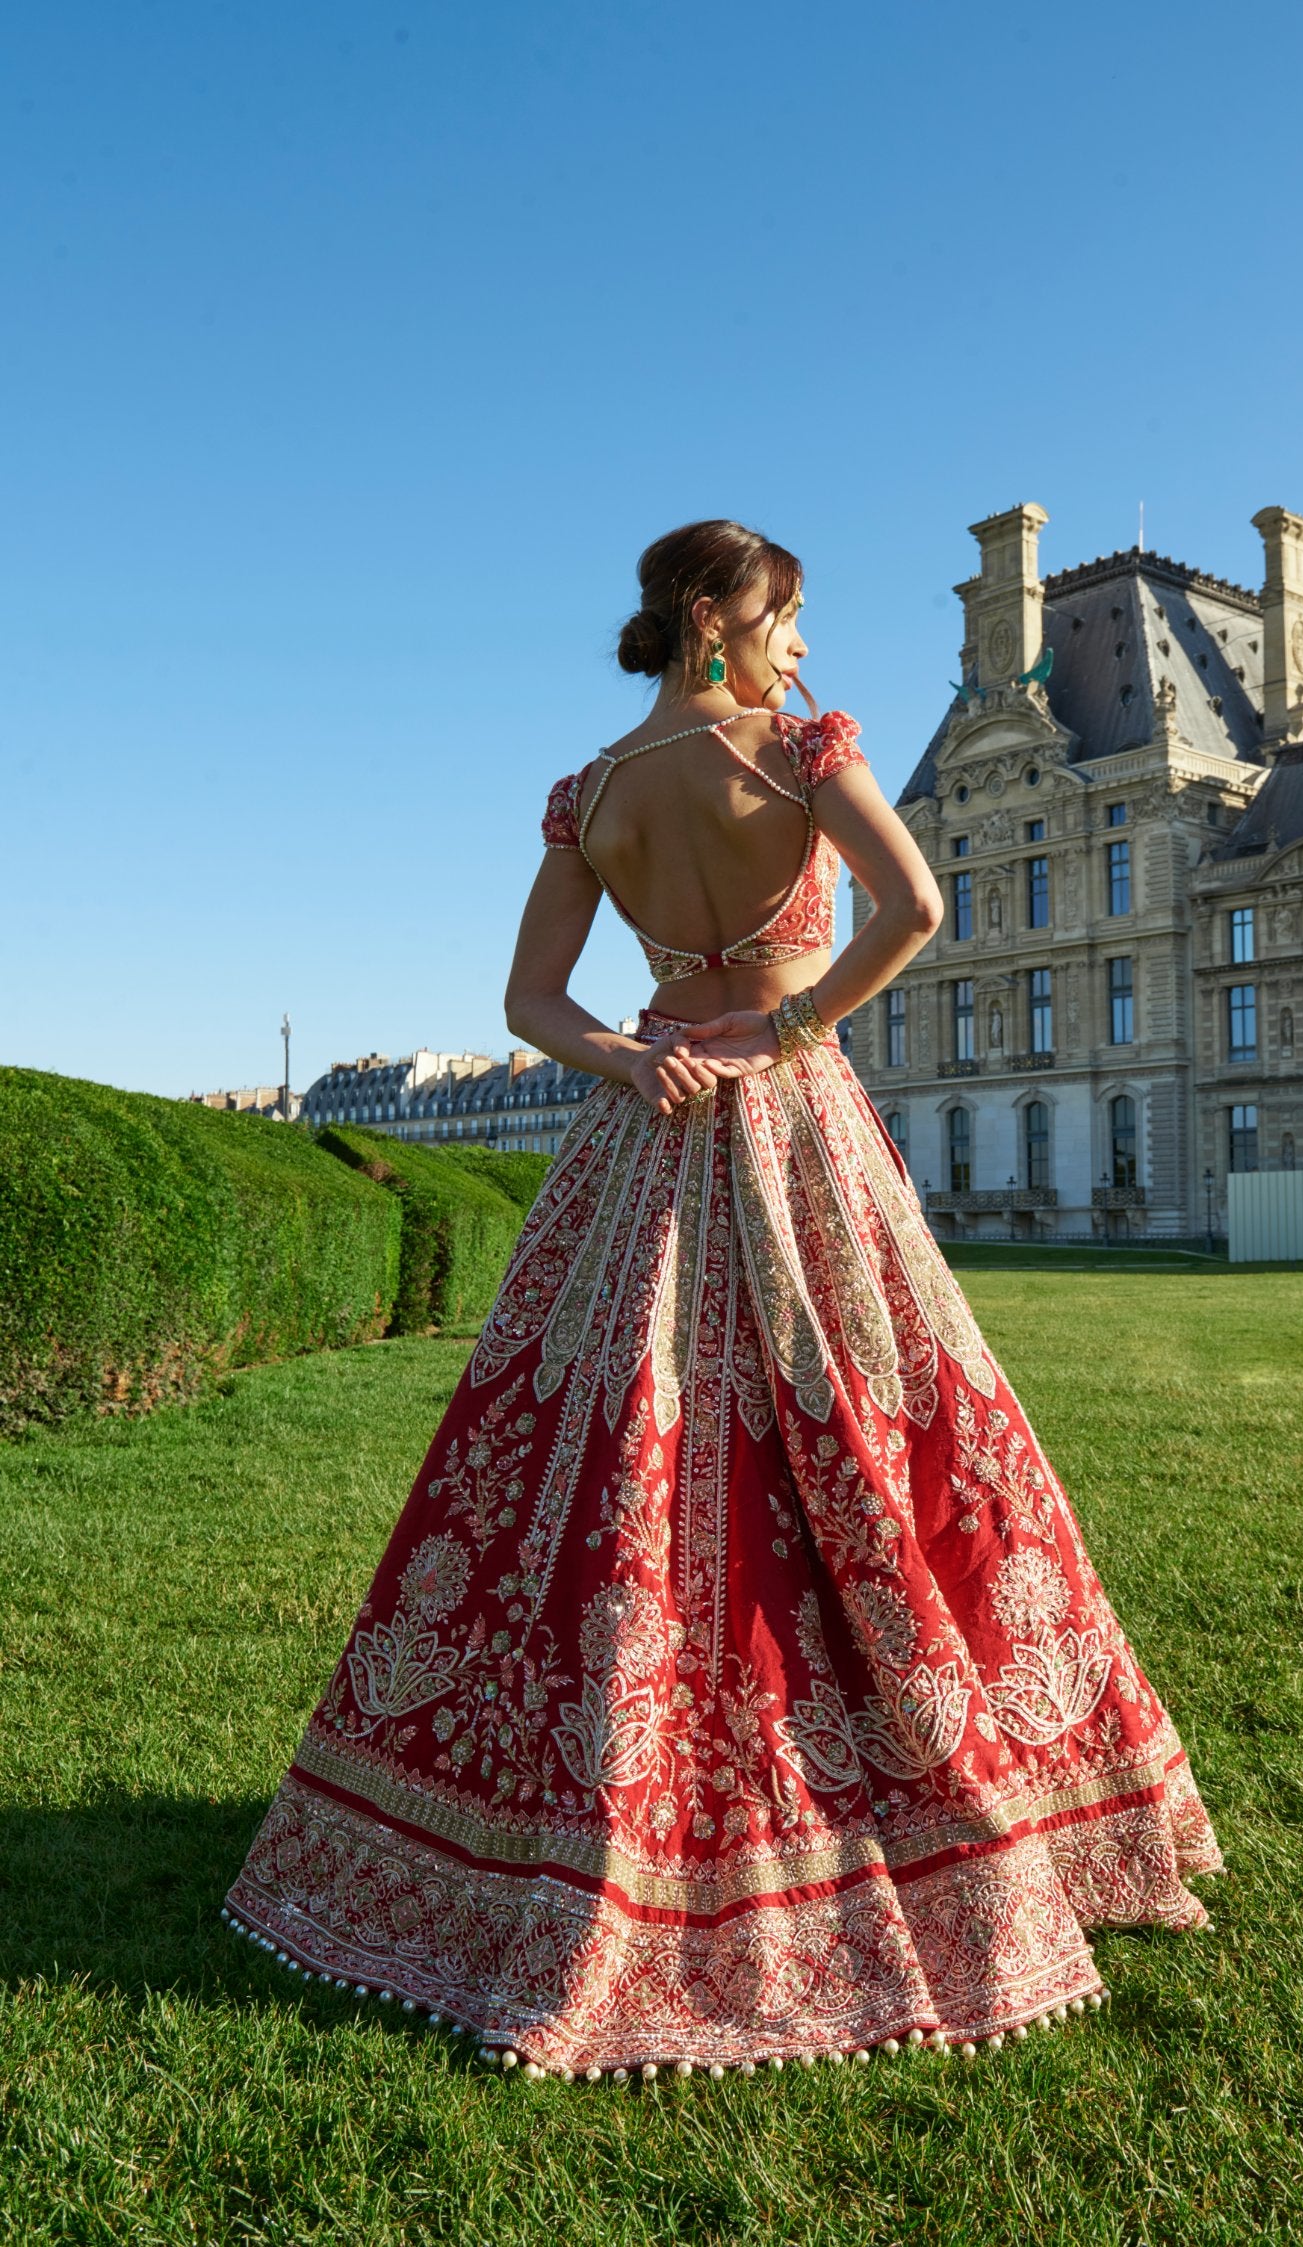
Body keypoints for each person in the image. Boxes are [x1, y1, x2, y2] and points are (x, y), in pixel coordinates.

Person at [225, 519, 1221, 2082]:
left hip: (644, 1129)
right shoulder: (800, 750)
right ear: (715, 617)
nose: (805, 647)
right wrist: (796, 1028)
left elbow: (528, 1003)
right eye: (790, 616)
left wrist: (631, 1058)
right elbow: (914, 911)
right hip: (787, 1116)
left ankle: (546, 1810)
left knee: (606, 1440)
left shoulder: (595, 792)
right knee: (878, 1426)